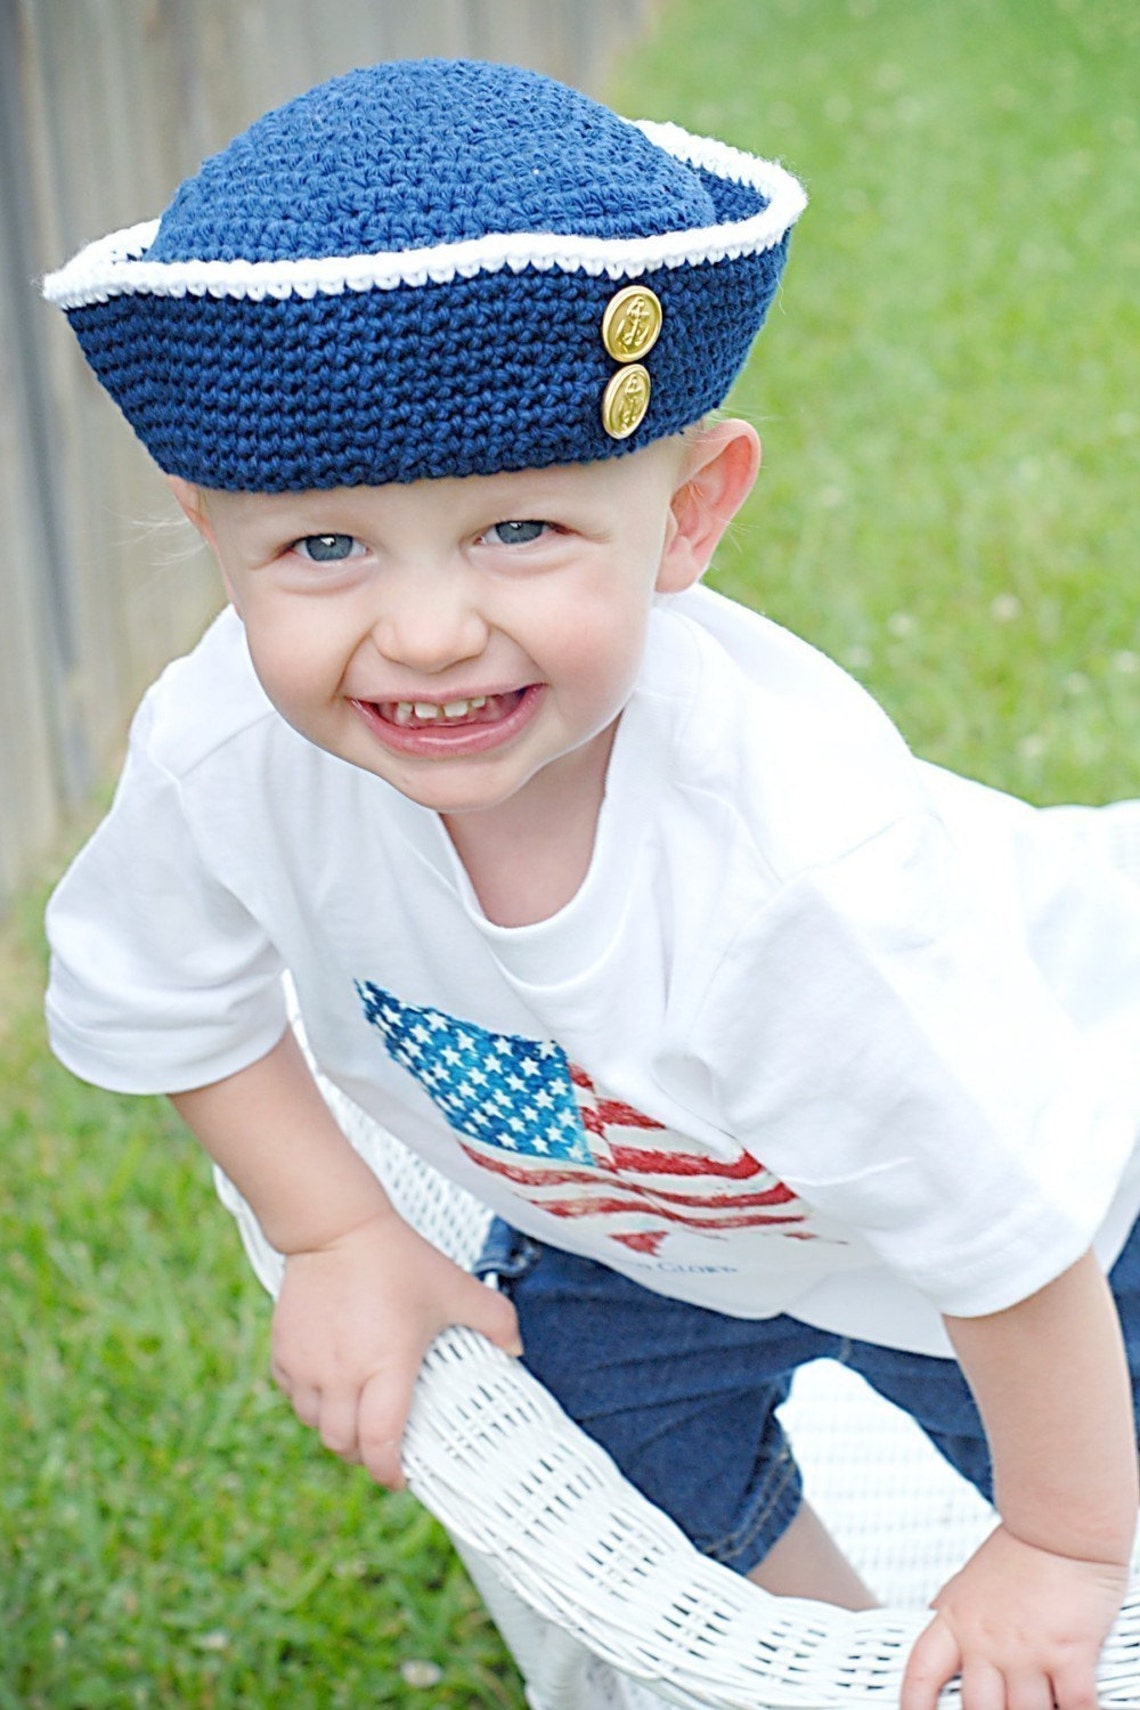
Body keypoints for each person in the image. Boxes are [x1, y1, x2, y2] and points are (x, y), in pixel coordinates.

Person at [41, 57, 1140, 1710]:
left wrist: (1058, 1541)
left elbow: (1010, 1243)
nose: (426, 633)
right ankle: (826, 1656)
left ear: (689, 515)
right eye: (325, 547)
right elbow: (166, 998)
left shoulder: (796, 872)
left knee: (1096, 1509)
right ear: (212, 532)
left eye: (522, 531)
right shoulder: (223, 754)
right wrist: (335, 1228)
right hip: (664, 1232)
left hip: (1048, 1203)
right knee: (610, 1445)